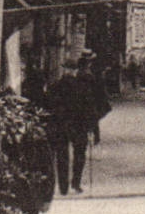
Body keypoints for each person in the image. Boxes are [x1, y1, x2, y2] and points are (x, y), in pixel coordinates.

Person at [45, 50, 111, 195]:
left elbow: (48, 108)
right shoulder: (82, 87)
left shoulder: (55, 87)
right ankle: (76, 183)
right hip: (79, 126)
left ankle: (63, 187)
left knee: (62, 156)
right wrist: (93, 128)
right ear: (74, 71)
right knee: (79, 155)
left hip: (61, 126)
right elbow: (90, 109)